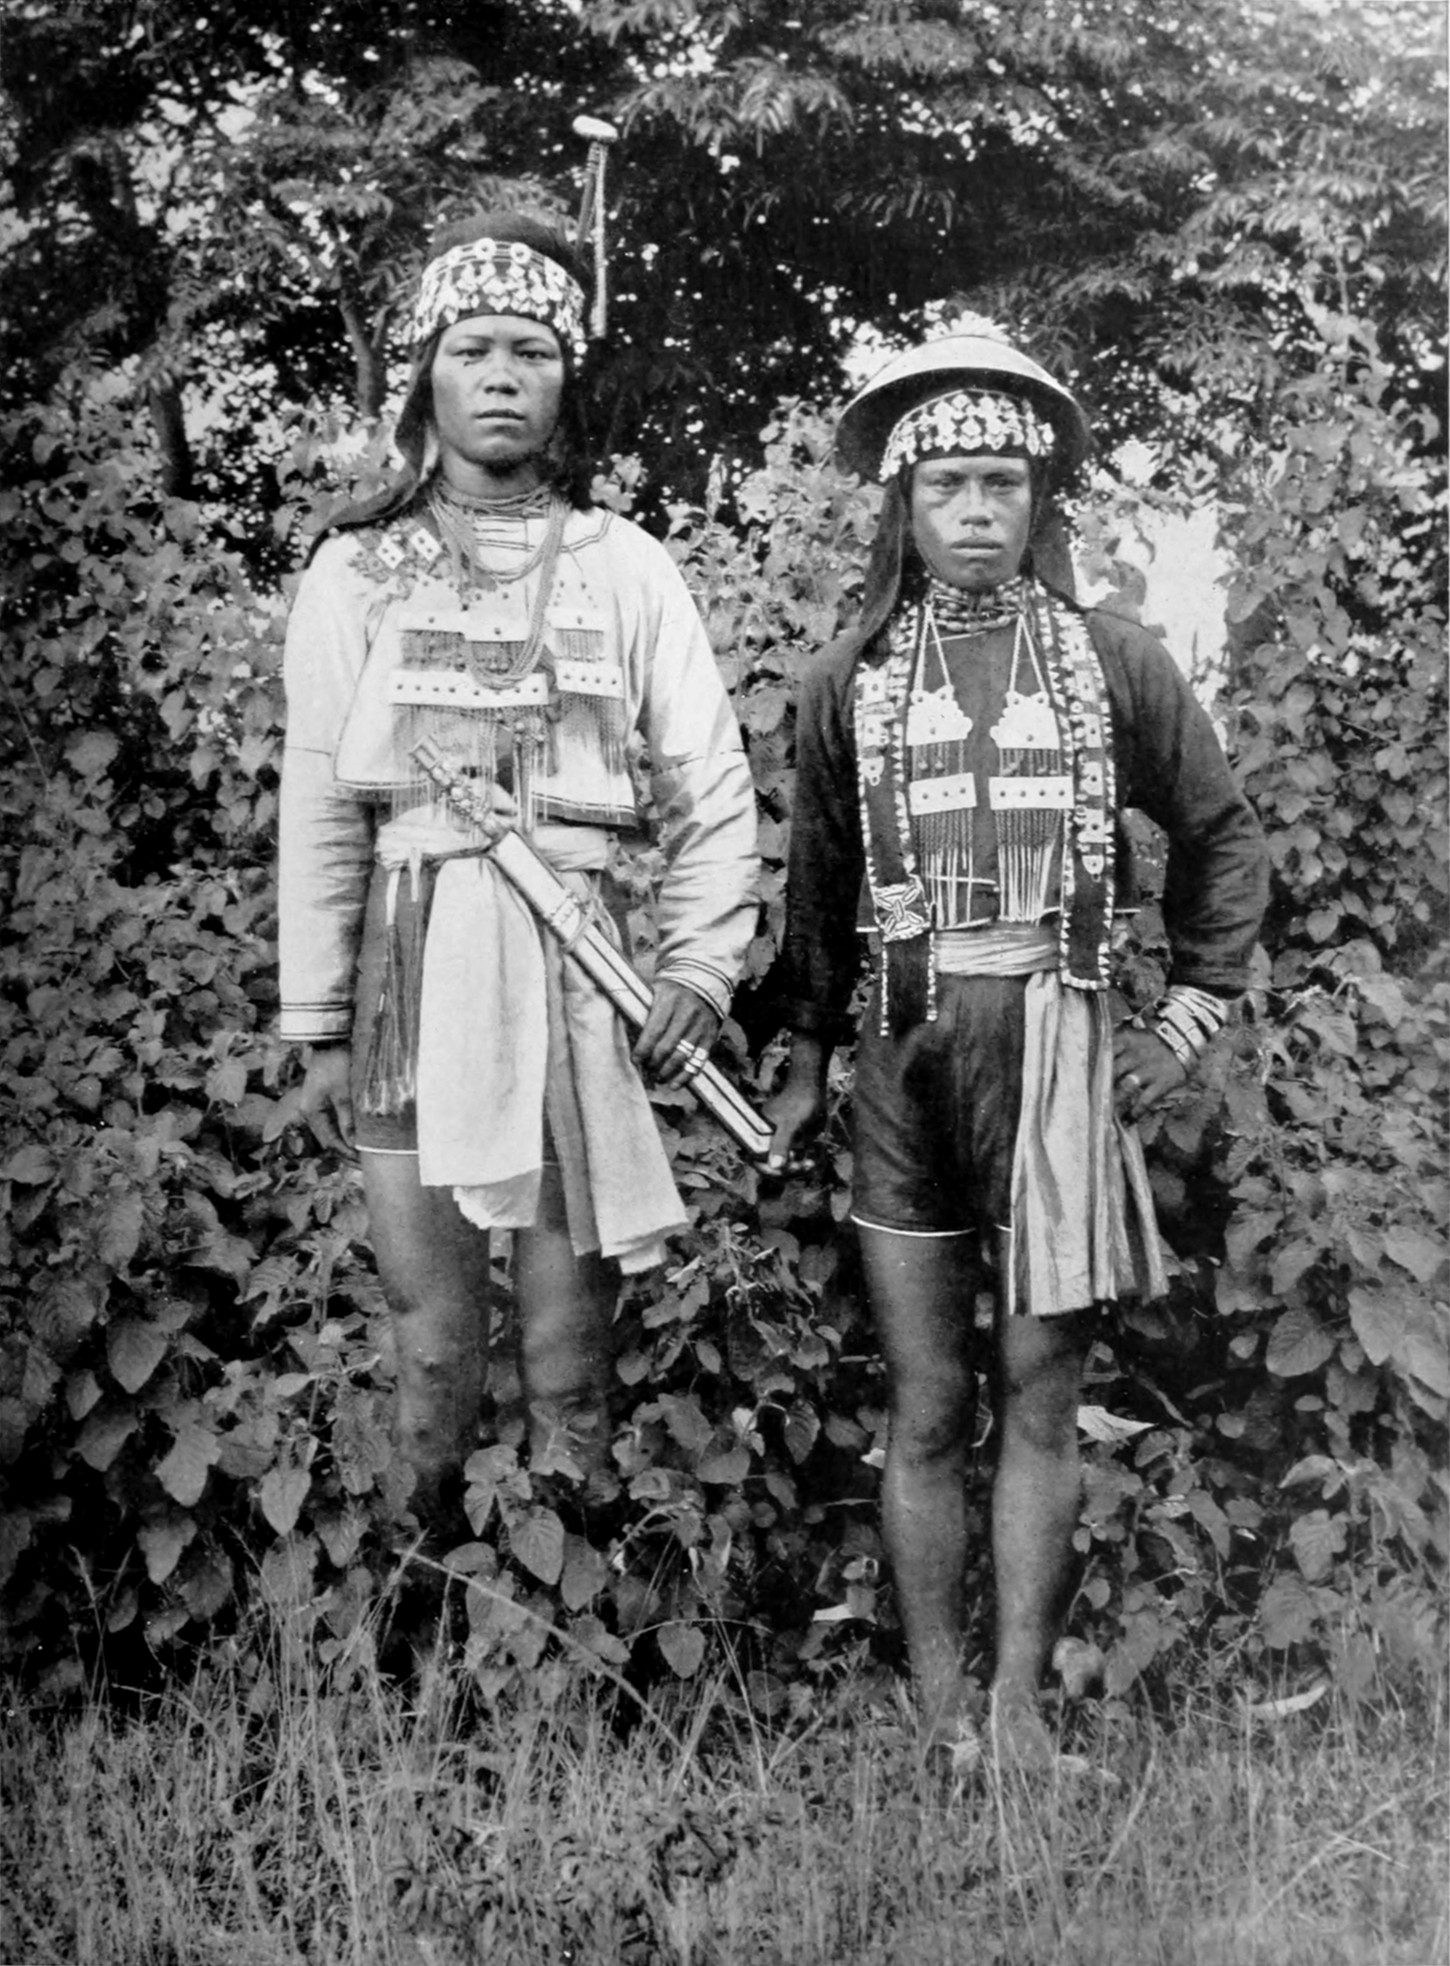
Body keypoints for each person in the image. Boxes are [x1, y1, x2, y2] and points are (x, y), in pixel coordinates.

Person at [765, 329, 1268, 1762]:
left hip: (1057, 1055)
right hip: (903, 1066)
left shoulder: (1115, 661)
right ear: (904, 506)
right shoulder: (849, 677)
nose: (976, 509)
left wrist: (1183, 1018)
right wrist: (802, 1056)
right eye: (948, 486)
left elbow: (1222, 841)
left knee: (1040, 1393)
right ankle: (942, 1714)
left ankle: (1019, 1708)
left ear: (1039, 498)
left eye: (1001, 481)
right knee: (926, 1399)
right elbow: (818, 892)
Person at [278, 211, 758, 1535]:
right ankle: (419, 1613)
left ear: (567, 379)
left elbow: (709, 784)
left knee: (567, 1348)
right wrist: (320, 1022)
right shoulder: (356, 569)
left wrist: (698, 965)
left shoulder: (627, 566)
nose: (502, 377)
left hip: (574, 961)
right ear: (424, 376)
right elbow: (321, 800)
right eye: (473, 349)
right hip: (407, 956)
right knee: (433, 1344)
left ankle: (573, 1622)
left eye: (532, 352)